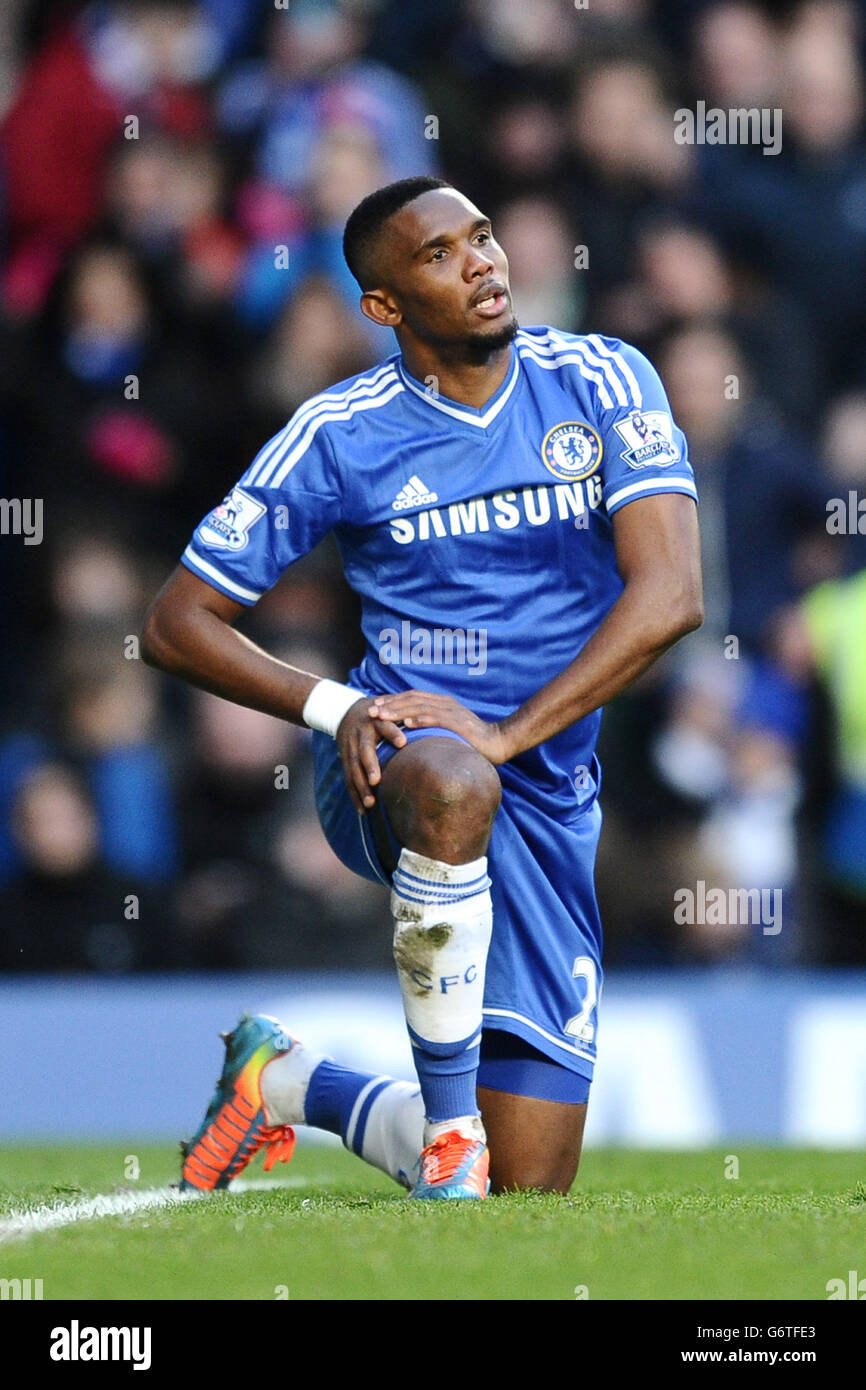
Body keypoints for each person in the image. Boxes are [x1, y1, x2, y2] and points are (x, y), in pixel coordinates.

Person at [141, 175, 702, 1199]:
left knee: (527, 1190)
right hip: (395, 762)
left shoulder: (602, 378)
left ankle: (281, 1079)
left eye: (481, 237)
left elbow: (669, 594)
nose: (482, 262)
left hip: (546, 781)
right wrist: (336, 706)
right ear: (384, 307)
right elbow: (175, 622)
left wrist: (509, 734)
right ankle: (447, 1135)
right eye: (439, 254)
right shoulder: (340, 430)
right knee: (449, 778)